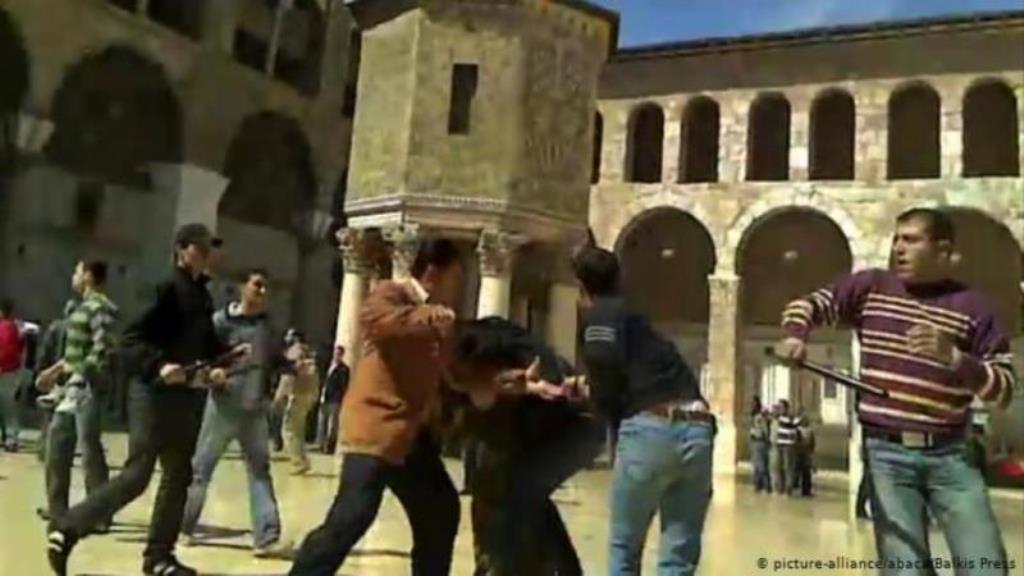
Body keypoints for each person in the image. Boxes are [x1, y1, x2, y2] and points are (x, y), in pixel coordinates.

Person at [774, 208, 1015, 575]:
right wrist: (794, 336)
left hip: (951, 455)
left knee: (985, 565)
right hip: (887, 453)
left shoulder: (974, 307)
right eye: (896, 239)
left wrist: (954, 358)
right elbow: (808, 304)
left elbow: (1005, 389)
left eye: (912, 240)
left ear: (943, 250)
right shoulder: (871, 286)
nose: (898, 248)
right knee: (905, 568)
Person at [46, 223, 242, 576]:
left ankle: (159, 558)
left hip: (184, 397)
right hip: (151, 393)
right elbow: (129, 341)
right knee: (138, 473)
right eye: (201, 248)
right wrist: (160, 364)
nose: (208, 255)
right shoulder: (164, 288)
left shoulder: (201, 296)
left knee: (178, 475)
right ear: (182, 251)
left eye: (210, 249)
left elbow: (204, 346)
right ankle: (67, 527)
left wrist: (225, 358)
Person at [288, 238, 463, 576]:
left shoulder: (439, 322)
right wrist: (428, 314)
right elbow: (377, 320)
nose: (457, 286)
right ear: (432, 272)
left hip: (410, 436)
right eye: (454, 277)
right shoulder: (392, 293)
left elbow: (453, 372)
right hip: (376, 428)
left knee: (440, 510)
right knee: (352, 517)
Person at [572, 246, 715, 576]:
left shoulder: (602, 315)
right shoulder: (639, 323)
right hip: (698, 427)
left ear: (581, 286)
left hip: (652, 429)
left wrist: (595, 409)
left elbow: (604, 365)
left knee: (626, 547)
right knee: (679, 554)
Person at [451, 316, 605, 576]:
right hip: (541, 436)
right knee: (521, 494)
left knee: (521, 489)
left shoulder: (526, 365)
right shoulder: (490, 378)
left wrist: (537, 386)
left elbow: (553, 388)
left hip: (575, 429)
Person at [180, 269, 293, 558]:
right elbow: (200, 359)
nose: (262, 292)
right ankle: (183, 527)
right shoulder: (220, 322)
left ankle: (266, 537)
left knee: (259, 471)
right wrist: (211, 374)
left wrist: (292, 367)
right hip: (223, 407)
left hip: (254, 409)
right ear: (242, 287)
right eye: (257, 285)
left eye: (266, 287)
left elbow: (276, 360)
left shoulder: (267, 327)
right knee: (201, 469)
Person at [35, 261, 116, 530]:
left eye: (77, 271)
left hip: (88, 388)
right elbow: (77, 354)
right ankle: (58, 512)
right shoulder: (81, 308)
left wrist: (81, 373)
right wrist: (53, 371)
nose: (74, 276)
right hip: (71, 389)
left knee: (89, 450)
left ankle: (99, 514)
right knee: (56, 447)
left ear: (89, 277)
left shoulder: (100, 307)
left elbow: (102, 347)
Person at [276, 331, 320, 475]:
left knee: (288, 431)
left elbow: (289, 374)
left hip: (297, 395)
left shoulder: (294, 352)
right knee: (298, 432)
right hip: (308, 395)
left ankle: (298, 462)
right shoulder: (310, 354)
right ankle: (303, 460)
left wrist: (280, 395)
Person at [0, 298, 26, 451]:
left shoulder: (7, 327)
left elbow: (6, 351)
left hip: (6, 372)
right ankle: (10, 437)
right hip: (11, 371)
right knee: (8, 406)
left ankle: (11, 438)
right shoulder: (16, 326)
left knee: (7, 406)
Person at [316, 345, 348, 455]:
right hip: (324, 398)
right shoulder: (328, 366)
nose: (336, 355)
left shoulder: (344, 369)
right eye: (335, 353)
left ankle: (329, 447)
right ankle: (320, 444)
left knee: (332, 425)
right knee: (321, 422)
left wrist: (340, 399)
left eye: (339, 354)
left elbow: (343, 386)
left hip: (334, 400)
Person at [774, 399, 799, 496]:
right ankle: (780, 488)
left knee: (788, 467)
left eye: (781, 407)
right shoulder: (780, 417)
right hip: (780, 444)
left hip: (788, 445)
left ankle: (788, 489)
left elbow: (793, 424)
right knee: (779, 466)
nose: (779, 409)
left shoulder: (789, 418)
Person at [749, 396, 772, 494]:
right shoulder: (755, 416)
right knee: (756, 465)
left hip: (760, 441)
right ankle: (757, 485)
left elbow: (764, 429)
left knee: (761, 465)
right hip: (755, 441)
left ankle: (766, 486)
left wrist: (766, 439)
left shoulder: (759, 417)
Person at [795, 409, 815, 497]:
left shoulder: (808, 430)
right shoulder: (799, 430)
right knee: (803, 472)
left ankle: (805, 490)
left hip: (805, 453)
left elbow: (812, 443)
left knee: (805, 473)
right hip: (802, 453)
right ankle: (803, 489)